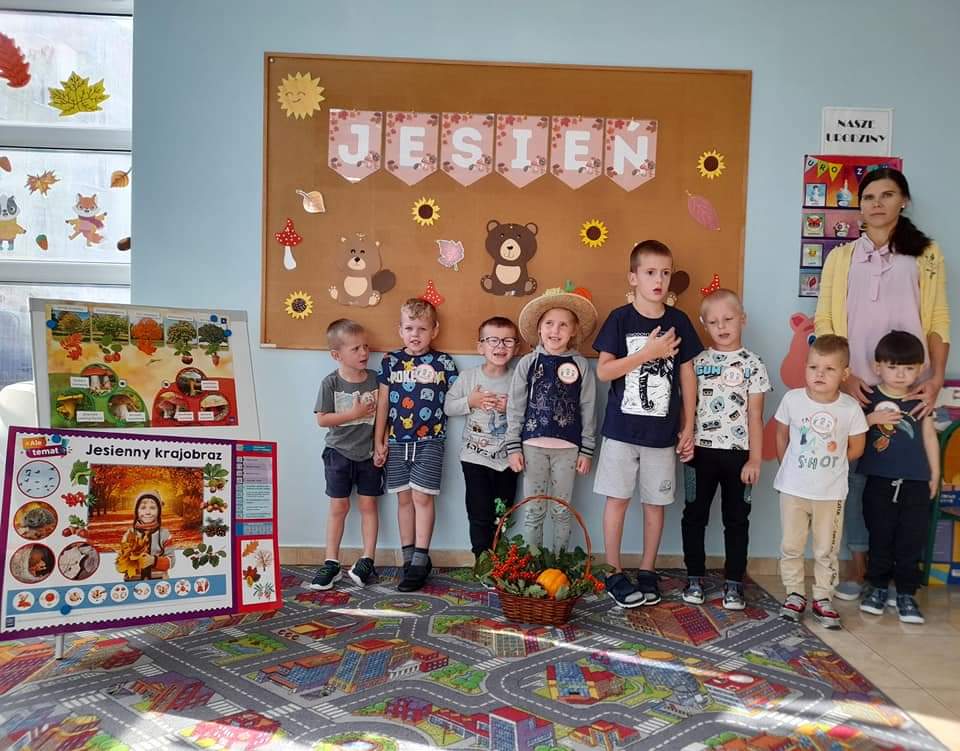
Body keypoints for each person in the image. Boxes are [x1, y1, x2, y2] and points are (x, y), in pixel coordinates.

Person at [815, 168, 950, 601]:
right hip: (855, 388)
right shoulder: (841, 258)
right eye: (869, 196)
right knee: (856, 483)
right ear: (860, 206)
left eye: (887, 195)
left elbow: (938, 319)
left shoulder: (926, 254)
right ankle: (860, 568)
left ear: (903, 201)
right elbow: (825, 322)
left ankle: (896, 576)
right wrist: (846, 377)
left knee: (906, 484)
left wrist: (935, 378)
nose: (877, 203)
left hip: (907, 387)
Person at [593, 241, 702, 607]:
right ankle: (612, 571)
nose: (659, 280)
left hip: (661, 435)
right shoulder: (620, 319)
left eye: (665, 273)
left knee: (656, 504)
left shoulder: (679, 321)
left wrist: (688, 425)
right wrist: (646, 353)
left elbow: (687, 376)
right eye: (650, 272)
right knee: (617, 500)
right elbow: (605, 371)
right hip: (621, 432)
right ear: (633, 277)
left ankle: (647, 570)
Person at [682, 289, 771, 610]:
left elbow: (756, 416)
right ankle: (694, 577)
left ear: (742, 319)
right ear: (703, 324)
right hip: (700, 454)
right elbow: (687, 406)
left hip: (739, 456)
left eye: (728, 319)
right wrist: (685, 436)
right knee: (694, 516)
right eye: (713, 321)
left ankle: (734, 582)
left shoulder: (754, 364)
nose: (721, 326)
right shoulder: (696, 362)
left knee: (736, 520)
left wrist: (755, 459)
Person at [774, 335, 867, 628]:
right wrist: (789, 466)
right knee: (791, 544)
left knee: (826, 548)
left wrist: (832, 466)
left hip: (830, 493)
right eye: (813, 367)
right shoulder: (793, 400)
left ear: (844, 373)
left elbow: (857, 447)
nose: (820, 374)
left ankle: (823, 597)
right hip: (793, 490)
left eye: (829, 369)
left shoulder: (850, 408)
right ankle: (794, 594)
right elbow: (781, 436)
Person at [505, 288, 598, 552]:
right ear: (539, 328)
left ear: (573, 331)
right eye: (549, 323)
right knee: (533, 510)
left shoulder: (581, 365)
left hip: (568, 449)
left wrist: (587, 449)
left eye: (563, 325)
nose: (555, 331)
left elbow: (589, 407)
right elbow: (515, 406)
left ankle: (558, 564)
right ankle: (533, 565)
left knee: (561, 510)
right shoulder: (528, 363)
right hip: (532, 446)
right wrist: (513, 446)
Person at [375, 298, 458, 592]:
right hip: (397, 441)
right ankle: (408, 557)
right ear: (400, 330)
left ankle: (422, 559)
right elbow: (383, 404)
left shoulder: (444, 363)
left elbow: (457, 398)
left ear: (434, 330)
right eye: (409, 328)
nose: (415, 334)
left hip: (430, 440)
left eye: (422, 328)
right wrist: (378, 440)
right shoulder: (390, 362)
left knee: (422, 497)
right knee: (404, 499)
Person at [857, 331, 939, 624]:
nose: (900, 374)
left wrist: (935, 474)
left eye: (908, 368)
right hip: (878, 480)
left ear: (920, 369)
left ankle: (906, 594)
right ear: (878, 367)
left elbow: (929, 436)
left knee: (911, 539)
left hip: (915, 482)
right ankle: (877, 588)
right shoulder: (868, 396)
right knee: (880, 536)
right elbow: (852, 430)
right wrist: (871, 419)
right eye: (893, 367)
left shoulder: (921, 398)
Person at [309, 319, 383, 590]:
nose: (364, 352)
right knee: (338, 507)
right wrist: (353, 414)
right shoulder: (330, 382)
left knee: (369, 506)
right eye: (356, 349)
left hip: (368, 455)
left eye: (366, 346)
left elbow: (384, 416)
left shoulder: (376, 379)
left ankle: (367, 559)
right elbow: (322, 419)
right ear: (336, 355)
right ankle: (331, 562)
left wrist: (381, 444)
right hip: (338, 453)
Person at [443, 316, 520, 566]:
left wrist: (510, 408)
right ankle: (482, 559)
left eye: (507, 341)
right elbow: (448, 407)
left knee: (503, 511)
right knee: (478, 511)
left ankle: (499, 559)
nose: (500, 346)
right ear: (480, 347)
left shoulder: (518, 379)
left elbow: (529, 415)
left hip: (508, 460)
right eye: (493, 340)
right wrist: (471, 401)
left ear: (516, 347)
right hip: (474, 458)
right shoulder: (469, 377)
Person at [116, 492, 174, 581]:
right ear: (137, 511)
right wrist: (129, 562)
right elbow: (118, 565)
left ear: (159, 511)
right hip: (134, 581)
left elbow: (171, 561)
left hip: (159, 582)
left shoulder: (164, 534)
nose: (147, 512)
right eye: (143, 508)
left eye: (153, 508)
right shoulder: (129, 534)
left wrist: (153, 561)